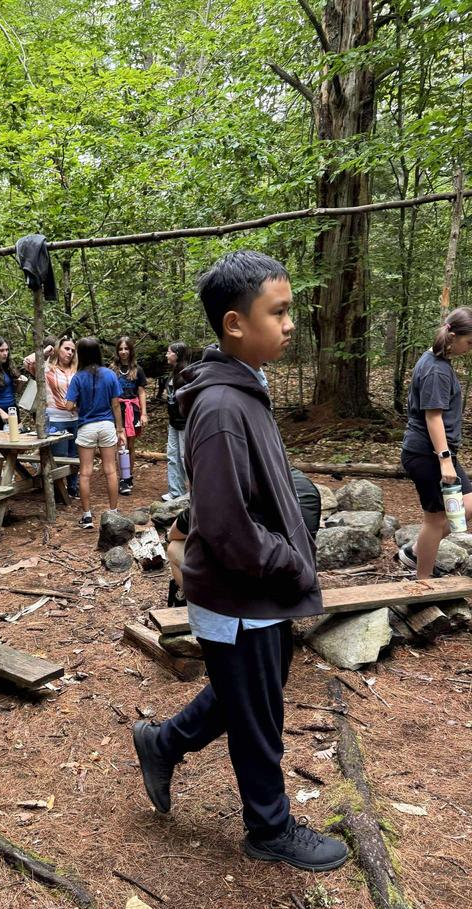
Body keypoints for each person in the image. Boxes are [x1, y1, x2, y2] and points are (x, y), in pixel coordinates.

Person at [133, 250, 348, 873]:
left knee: (249, 693)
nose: (290, 324)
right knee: (259, 713)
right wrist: (291, 562)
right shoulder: (223, 408)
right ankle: (269, 827)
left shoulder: (246, 388)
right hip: (238, 593)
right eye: (278, 312)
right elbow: (226, 527)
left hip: (257, 588)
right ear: (235, 323)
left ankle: (161, 742)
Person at [166, 468, 322, 608]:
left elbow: (176, 532)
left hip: (256, 592)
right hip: (299, 578)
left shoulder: (233, 482)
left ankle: (201, 607)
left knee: (175, 547)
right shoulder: (305, 484)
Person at [398, 307, 472, 578]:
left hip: (439, 453)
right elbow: (433, 417)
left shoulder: (437, 362)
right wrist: (444, 461)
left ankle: (415, 552)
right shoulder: (436, 370)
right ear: (454, 336)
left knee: (467, 503)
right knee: (436, 519)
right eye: (470, 342)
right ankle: (423, 582)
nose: (470, 348)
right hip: (427, 454)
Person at [65, 336, 126, 529]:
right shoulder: (110, 375)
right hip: (107, 425)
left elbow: (68, 405)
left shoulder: (78, 377)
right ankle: (113, 512)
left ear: (80, 354)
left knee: (85, 473)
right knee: (111, 470)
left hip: (86, 427)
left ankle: (87, 516)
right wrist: (120, 429)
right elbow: (116, 405)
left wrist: (79, 407)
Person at [23, 336, 79, 498]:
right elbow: (28, 362)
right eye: (66, 348)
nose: (70, 352)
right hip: (55, 419)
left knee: (74, 455)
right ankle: (59, 491)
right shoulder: (47, 370)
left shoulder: (76, 370)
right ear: (58, 349)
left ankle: (73, 487)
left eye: (72, 350)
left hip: (76, 418)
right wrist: (46, 350)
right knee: (60, 456)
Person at [110, 337, 148, 495]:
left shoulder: (138, 369)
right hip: (117, 409)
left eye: (126, 349)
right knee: (121, 444)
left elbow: (141, 392)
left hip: (133, 410)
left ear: (131, 350)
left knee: (131, 445)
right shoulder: (112, 369)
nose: (123, 352)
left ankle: (129, 474)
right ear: (117, 351)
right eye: (121, 349)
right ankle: (123, 478)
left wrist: (144, 413)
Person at [164, 342, 190, 500]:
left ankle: (193, 492)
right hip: (173, 421)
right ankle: (175, 491)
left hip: (185, 422)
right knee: (172, 456)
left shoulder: (187, 374)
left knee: (184, 457)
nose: (166, 355)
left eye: (169, 352)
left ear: (177, 355)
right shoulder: (173, 373)